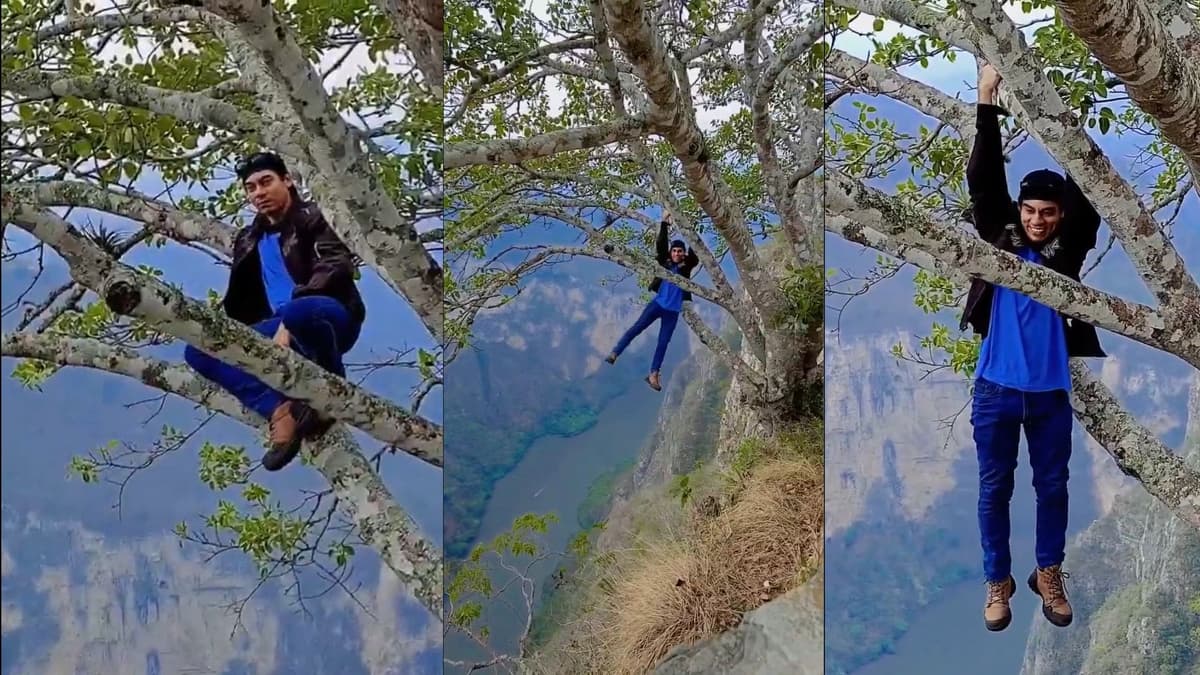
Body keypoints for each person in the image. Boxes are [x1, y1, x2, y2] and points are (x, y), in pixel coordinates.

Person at [965, 64, 1105, 632]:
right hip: (997, 388)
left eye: (1048, 213)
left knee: (1052, 486)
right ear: (1020, 212)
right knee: (994, 488)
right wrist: (986, 98)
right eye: (1031, 212)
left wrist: (1063, 116)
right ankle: (998, 581)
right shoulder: (1001, 238)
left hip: (1049, 393)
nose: (1039, 220)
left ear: (1060, 216)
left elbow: (1088, 192)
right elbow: (983, 179)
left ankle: (1048, 573)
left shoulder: (1066, 252)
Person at [184, 152, 366, 471]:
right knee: (198, 348)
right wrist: (226, 333)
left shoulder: (316, 217)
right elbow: (242, 297)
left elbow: (335, 264)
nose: (259, 192)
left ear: (288, 180)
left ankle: (330, 386)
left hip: (328, 315)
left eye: (266, 182)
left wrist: (289, 318)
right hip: (278, 327)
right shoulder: (249, 238)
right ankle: (279, 410)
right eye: (251, 187)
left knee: (298, 314)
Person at [605, 212, 700, 391]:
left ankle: (654, 374)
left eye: (680, 251)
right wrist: (664, 223)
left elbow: (696, 252)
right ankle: (615, 353)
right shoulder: (665, 262)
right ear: (671, 252)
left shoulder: (686, 266)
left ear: (684, 253)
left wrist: (690, 227)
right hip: (657, 305)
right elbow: (661, 244)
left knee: (663, 343)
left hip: (672, 311)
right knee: (636, 328)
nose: (677, 254)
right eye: (675, 251)